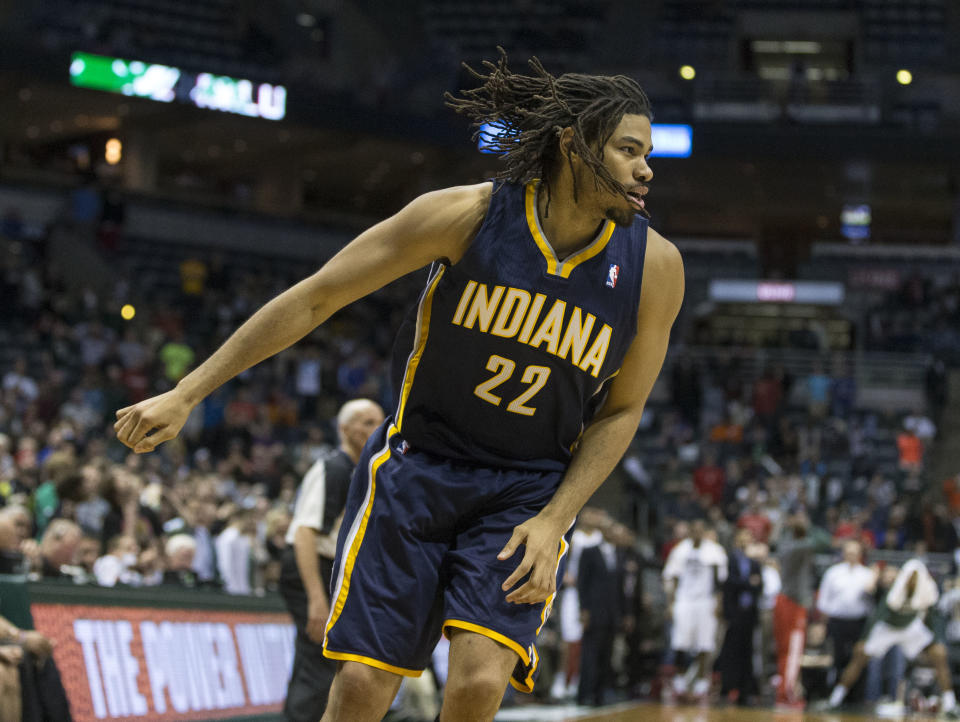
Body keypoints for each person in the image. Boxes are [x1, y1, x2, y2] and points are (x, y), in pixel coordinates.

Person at [114, 50, 682, 722]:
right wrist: (187, 391)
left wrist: (555, 519)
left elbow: (622, 409)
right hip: (417, 469)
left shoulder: (655, 268)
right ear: (572, 144)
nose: (645, 169)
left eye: (645, 153)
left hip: (526, 489)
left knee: (475, 685)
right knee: (361, 687)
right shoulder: (467, 215)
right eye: (627, 150)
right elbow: (316, 297)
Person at [280, 399, 384, 722]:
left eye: (379, 422)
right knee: (319, 657)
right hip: (311, 567)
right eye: (366, 422)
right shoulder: (333, 468)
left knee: (322, 658)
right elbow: (304, 533)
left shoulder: (364, 470)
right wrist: (315, 599)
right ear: (344, 429)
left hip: (332, 571)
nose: (375, 429)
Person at [824, 560, 959, 718]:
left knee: (940, 654)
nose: (913, 580)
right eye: (911, 577)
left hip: (910, 627)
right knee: (860, 654)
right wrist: (865, 638)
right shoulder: (895, 588)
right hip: (888, 627)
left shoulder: (927, 590)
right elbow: (878, 616)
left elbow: (933, 619)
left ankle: (950, 704)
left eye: (916, 577)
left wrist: (936, 641)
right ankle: (835, 700)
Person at [662, 518, 728, 700]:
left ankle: (701, 682)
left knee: (704, 643)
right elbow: (672, 577)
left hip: (706, 601)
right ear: (690, 531)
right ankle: (680, 681)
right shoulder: (680, 550)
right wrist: (670, 603)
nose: (697, 533)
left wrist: (719, 603)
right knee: (680, 641)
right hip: (684, 600)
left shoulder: (714, 551)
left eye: (701, 530)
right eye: (694, 530)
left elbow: (719, 582)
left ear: (705, 531)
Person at [816, 540, 877, 701]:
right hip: (837, 621)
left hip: (859, 622)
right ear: (844, 553)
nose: (851, 555)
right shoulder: (833, 573)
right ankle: (835, 696)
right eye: (848, 552)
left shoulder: (867, 574)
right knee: (837, 657)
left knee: (858, 658)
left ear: (860, 555)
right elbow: (824, 600)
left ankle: (857, 697)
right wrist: (822, 623)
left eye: (855, 552)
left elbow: (873, 601)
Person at [715, 527, 762, 705]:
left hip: (749, 613)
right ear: (736, 540)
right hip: (734, 613)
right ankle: (727, 688)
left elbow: (759, 586)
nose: (745, 541)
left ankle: (744, 690)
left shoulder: (754, 563)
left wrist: (747, 584)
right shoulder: (729, 560)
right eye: (742, 537)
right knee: (730, 651)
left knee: (747, 652)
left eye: (748, 538)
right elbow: (730, 583)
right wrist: (748, 583)